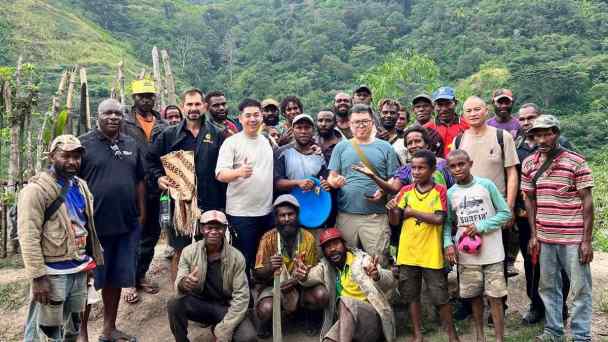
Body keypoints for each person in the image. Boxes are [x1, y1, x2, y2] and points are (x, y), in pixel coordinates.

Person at [19, 135, 104, 342]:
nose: (72, 161)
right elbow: (28, 235)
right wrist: (38, 277)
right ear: (51, 157)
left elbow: (87, 226)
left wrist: (91, 262)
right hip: (52, 272)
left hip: (78, 268)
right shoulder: (36, 190)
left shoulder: (81, 186)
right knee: (46, 331)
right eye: (65, 156)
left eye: (76, 156)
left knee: (72, 327)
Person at [522, 115, 594, 342]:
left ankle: (581, 335)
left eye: (547, 133)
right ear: (532, 137)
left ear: (557, 133)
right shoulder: (529, 164)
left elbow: (587, 202)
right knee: (548, 287)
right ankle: (554, 331)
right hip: (544, 236)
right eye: (538, 135)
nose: (542, 139)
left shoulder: (576, 161)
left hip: (573, 237)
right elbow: (529, 200)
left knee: (580, 288)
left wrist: (587, 241)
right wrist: (534, 235)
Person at [79, 99, 146, 342]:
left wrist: (142, 212)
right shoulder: (83, 144)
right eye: (107, 113)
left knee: (116, 278)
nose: (113, 117)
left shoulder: (130, 143)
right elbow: (72, 182)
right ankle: (81, 333)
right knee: (86, 283)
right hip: (92, 228)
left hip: (126, 224)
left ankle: (109, 329)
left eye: (118, 113)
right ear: (98, 115)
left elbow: (139, 179)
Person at [148, 88, 227, 286]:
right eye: (189, 104)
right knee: (180, 251)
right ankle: (180, 295)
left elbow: (226, 167)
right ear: (183, 107)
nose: (193, 108)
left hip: (211, 203)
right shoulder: (169, 135)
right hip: (180, 206)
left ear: (205, 106)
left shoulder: (217, 134)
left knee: (211, 249)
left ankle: (209, 294)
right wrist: (159, 178)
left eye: (197, 104)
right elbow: (150, 161)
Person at [387, 149, 460, 342]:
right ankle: (418, 335)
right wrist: (393, 210)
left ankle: (452, 335)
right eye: (413, 168)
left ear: (433, 169)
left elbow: (438, 218)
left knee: (440, 296)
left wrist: (412, 212)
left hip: (431, 253)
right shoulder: (406, 191)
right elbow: (395, 221)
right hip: (408, 252)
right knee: (411, 295)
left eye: (421, 168)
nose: (417, 172)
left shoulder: (439, 191)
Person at [446, 149, 513, 342]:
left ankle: (499, 338)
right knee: (474, 297)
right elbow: (448, 223)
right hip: (467, 255)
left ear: (470, 163)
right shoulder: (451, 193)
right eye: (453, 166)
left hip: (493, 252)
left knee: (495, 296)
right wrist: (447, 243)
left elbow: (505, 213)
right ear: (449, 169)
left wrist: (481, 226)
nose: (458, 169)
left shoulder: (486, 185)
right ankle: (480, 337)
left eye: (461, 164)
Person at [514, 104, 571, 324]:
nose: (526, 121)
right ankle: (536, 306)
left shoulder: (562, 144)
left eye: (531, 117)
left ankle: (559, 307)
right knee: (531, 262)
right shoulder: (517, 146)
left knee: (560, 264)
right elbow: (515, 179)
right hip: (527, 216)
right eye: (522, 118)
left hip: (557, 215)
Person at [294, 227, 396, 342]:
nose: (332, 249)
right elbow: (311, 277)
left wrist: (377, 275)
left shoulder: (362, 260)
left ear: (344, 245)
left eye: (336, 244)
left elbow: (391, 280)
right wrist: (303, 276)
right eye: (327, 247)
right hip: (347, 322)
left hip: (372, 322)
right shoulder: (326, 266)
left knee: (345, 301)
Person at [167, 210, 256, 342]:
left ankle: (217, 326)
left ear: (224, 229)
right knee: (174, 302)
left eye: (218, 228)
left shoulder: (237, 257)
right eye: (209, 227)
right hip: (200, 304)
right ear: (202, 229)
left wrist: (224, 329)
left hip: (225, 307)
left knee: (248, 338)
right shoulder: (189, 252)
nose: (213, 232)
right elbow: (180, 280)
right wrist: (184, 283)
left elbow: (241, 297)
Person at [326, 104, 399, 263]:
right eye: (356, 122)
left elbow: (393, 178)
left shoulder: (385, 147)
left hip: (376, 217)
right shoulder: (341, 147)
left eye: (365, 121)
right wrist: (335, 182)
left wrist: (383, 191)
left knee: (378, 262)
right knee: (347, 262)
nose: (361, 125)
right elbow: (331, 176)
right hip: (346, 215)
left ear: (372, 122)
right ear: (350, 124)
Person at [121, 80, 169, 303]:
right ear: (134, 99)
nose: (147, 99)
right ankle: (128, 280)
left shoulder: (163, 124)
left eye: (150, 95)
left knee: (150, 233)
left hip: (157, 186)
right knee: (132, 233)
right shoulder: (124, 123)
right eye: (142, 96)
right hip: (132, 186)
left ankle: (140, 275)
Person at [253, 195, 328, 337]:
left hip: (301, 285)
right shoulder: (267, 238)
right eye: (282, 215)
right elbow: (257, 274)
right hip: (274, 287)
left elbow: (311, 270)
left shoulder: (308, 238)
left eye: (290, 214)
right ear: (276, 218)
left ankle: (308, 316)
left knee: (321, 295)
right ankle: (268, 322)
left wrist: (296, 280)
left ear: (297, 215)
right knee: (266, 308)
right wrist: (269, 267)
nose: (286, 219)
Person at [216, 98, 274, 271]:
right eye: (248, 115)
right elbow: (220, 174)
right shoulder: (232, 142)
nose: (253, 119)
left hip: (266, 211)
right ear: (240, 119)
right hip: (241, 213)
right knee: (243, 259)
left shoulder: (266, 141)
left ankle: (262, 295)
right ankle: (242, 296)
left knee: (264, 258)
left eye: (256, 115)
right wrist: (238, 173)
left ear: (262, 117)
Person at [353, 126, 454, 196]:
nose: (414, 145)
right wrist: (373, 176)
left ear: (427, 144)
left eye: (418, 141)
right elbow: (393, 189)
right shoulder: (405, 169)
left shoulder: (444, 165)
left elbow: (455, 189)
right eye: (410, 143)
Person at [274, 114, 329, 195]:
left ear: (313, 130)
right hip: (288, 203)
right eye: (299, 128)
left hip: (312, 202)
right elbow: (276, 183)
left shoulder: (319, 155)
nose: (303, 131)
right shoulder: (282, 152)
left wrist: (324, 185)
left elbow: (322, 181)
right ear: (293, 131)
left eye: (307, 127)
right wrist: (297, 183)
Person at [424, 87, 469, 157]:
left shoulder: (468, 125)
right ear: (434, 106)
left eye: (448, 103)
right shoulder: (427, 129)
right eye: (440, 105)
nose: (444, 108)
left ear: (455, 103)